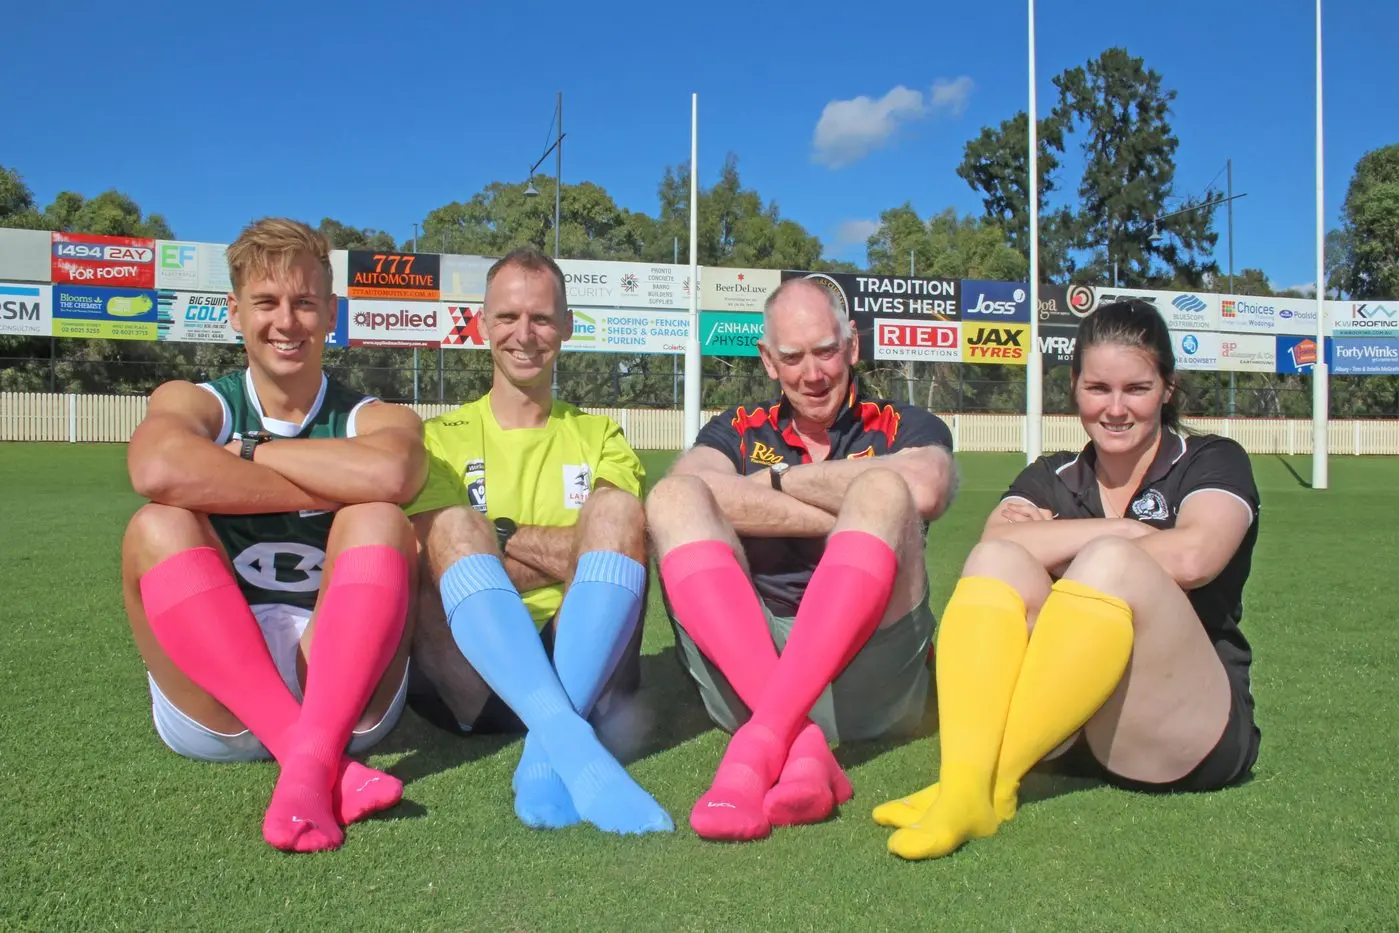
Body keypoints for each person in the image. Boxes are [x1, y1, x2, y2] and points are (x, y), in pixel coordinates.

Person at [876, 299, 1263, 861]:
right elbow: (994, 547)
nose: (1115, 409)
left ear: (1168, 389)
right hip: (1072, 737)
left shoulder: (1211, 460)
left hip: (1187, 732)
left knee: (1111, 562)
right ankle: (965, 783)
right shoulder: (1052, 473)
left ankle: (983, 787)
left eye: (1137, 388)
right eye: (1097, 388)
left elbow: (1195, 556)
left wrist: (1078, 541)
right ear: (1074, 387)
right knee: (998, 567)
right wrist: (1121, 527)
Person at [121, 218, 426, 853]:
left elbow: (393, 474)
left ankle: (310, 754)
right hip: (217, 699)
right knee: (156, 523)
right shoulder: (196, 400)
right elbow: (156, 468)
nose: (286, 321)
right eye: (265, 302)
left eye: (305, 302)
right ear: (235, 312)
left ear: (331, 313)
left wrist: (250, 454)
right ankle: (313, 762)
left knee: (380, 519)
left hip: (344, 688)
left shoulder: (376, 416)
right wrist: (335, 481)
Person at [645, 277, 958, 842]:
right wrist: (855, 522)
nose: (812, 374)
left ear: (853, 347)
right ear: (768, 360)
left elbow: (927, 489)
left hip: (869, 681)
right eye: (792, 357)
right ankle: (798, 739)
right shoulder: (737, 429)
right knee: (672, 498)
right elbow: (687, 489)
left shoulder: (900, 423)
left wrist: (780, 481)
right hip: (751, 667)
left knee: (887, 491)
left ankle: (760, 747)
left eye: (826, 351)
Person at [405, 246, 671, 836]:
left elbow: (622, 536)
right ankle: (572, 746)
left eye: (543, 318)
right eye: (507, 317)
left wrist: (493, 541)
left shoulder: (600, 435)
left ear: (568, 327)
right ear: (481, 326)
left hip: (591, 670)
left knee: (618, 510)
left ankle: (547, 755)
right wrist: (577, 556)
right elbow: (438, 562)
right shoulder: (437, 441)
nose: (525, 334)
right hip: (471, 681)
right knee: (451, 528)